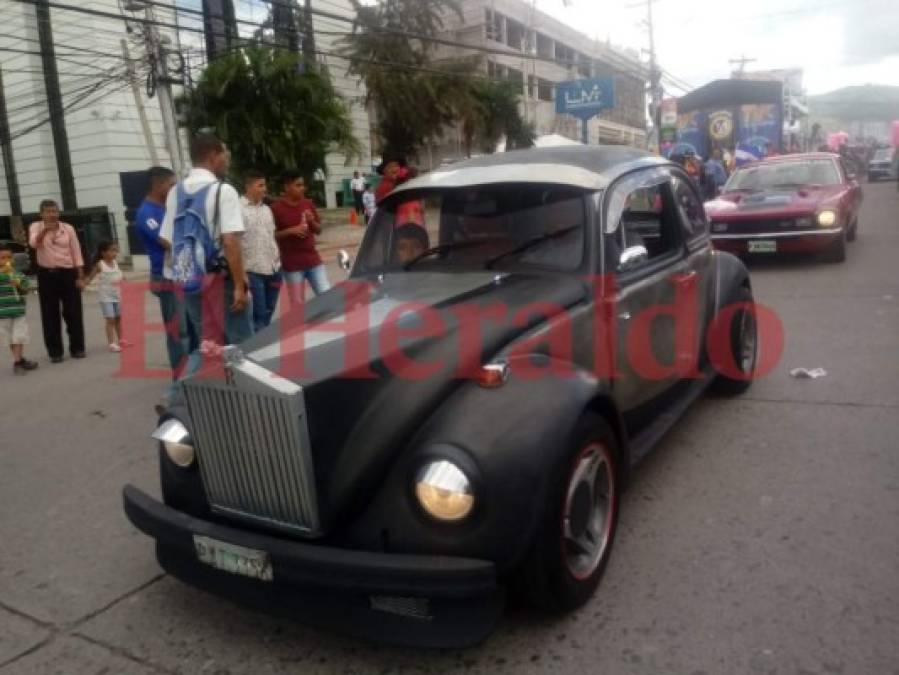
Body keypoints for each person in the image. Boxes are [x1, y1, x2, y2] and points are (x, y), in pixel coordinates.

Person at [159, 133, 251, 377]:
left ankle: (181, 397)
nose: (226, 161)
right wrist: (240, 285)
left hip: (190, 280)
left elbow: (166, 238)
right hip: (222, 280)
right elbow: (230, 241)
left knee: (208, 344)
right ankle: (249, 400)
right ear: (213, 155)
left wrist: (192, 262)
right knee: (241, 343)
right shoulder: (223, 191)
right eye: (224, 155)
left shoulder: (174, 192)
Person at [135, 166, 193, 392]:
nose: (175, 188)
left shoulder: (167, 207)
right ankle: (179, 385)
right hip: (166, 277)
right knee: (179, 332)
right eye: (171, 185)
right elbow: (169, 241)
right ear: (159, 186)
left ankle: (191, 376)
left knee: (190, 328)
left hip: (181, 273)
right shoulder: (147, 213)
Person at [28, 199, 86, 362]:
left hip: (68, 273)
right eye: (48, 211)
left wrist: (80, 276)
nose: (52, 214)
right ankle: (55, 352)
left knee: (73, 312)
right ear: (41, 214)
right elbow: (34, 244)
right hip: (47, 274)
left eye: (54, 211)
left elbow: (76, 252)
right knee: (49, 314)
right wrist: (45, 231)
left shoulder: (67, 228)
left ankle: (77, 348)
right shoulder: (35, 226)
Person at [271, 169, 329, 303]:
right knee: (298, 305)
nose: (302, 188)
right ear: (287, 187)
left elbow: (319, 230)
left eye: (303, 185)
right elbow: (271, 236)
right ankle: (301, 325)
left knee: (327, 296)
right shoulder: (276, 208)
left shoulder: (308, 204)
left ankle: (328, 323)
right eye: (298, 185)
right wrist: (290, 231)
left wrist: (311, 221)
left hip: (313, 260)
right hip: (292, 265)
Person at [240, 170, 281, 330]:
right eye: (260, 185)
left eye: (265, 185)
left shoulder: (266, 209)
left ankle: (261, 341)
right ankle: (258, 349)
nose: (265, 189)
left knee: (268, 311)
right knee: (258, 315)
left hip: (274, 269)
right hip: (253, 271)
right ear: (248, 187)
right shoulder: (238, 209)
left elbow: (271, 236)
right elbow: (233, 242)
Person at [0, 244, 38, 374]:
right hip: (3, 314)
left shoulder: (18, 274)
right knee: (11, 339)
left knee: (19, 337)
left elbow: (25, 290)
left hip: (18, 312)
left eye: (9, 257)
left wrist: (18, 285)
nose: (6, 261)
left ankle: (17, 363)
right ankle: (20, 359)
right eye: (2, 258)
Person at [83, 241, 128, 352]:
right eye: (112, 250)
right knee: (110, 319)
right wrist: (84, 283)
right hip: (106, 297)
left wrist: (125, 281)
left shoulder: (115, 263)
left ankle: (121, 340)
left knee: (118, 318)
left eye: (115, 251)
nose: (115, 253)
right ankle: (111, 343)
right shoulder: (100, 264)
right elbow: (91, 277)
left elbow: (120, 275)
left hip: (117, 296)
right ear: (103, 253)